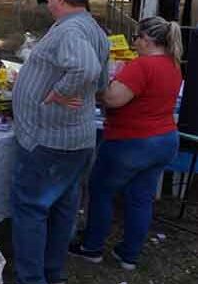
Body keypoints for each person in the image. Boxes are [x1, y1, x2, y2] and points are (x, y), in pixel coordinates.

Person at [10, 0, 110, 284]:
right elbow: (101, 82)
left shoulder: (71, 30)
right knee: (63, 207)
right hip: (75, 138)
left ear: (63, 0)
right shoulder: (93, 28)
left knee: (31, 209)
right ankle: (54, 274)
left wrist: (57, 93)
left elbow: (87, 70)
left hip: (49, 140)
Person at [70, 17, 183, 270]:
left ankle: (92, 247)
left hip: (132, 141)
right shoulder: (173, 64)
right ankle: (129, 255)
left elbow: (113, 99)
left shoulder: (142, 66)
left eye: (136, 37)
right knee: (141, 198)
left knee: (101, 191)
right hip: (165, 139)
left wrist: (97, 89)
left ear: (147, 39)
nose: (133, 42)